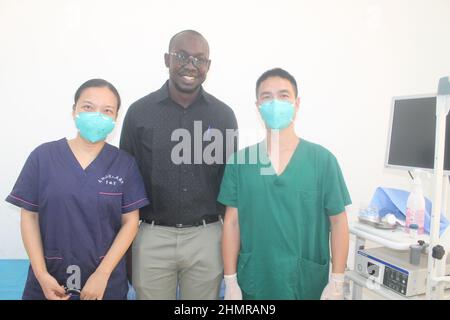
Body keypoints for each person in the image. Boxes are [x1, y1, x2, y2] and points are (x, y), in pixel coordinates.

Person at [120, 30, 238, 300]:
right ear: (166, 59)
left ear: (208, 66)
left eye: (199, 59)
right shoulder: (139, 112)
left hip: (206, 237)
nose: (190, 65)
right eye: (182, 56)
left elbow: (229, 181)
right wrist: (127, 247)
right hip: (151, 236)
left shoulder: (223, 115)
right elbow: (125, 182)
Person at [5, 79, 149, 300]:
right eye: (88, 107)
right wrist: (42, 275)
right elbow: (29, 217)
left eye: (107, 110)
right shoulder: (43, 157)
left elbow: (130, 223)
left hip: (103, 284)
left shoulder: (124, 164)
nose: (97, 115)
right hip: (49, 281)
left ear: (115, 118)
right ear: (74, 111)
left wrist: (102, 274)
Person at [219, 68, 351, 300]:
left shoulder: (322, 160)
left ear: (297, 103)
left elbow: (339, 221)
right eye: (267, 97)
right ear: (257, 105)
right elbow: (231, 223)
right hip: (256, 279)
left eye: (283, 96)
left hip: (305, 282)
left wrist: (337, 280)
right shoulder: (240, 162)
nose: (275, 103)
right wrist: (230, 282)